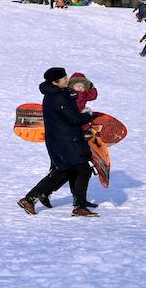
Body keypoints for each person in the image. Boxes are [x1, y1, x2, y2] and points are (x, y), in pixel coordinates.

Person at [18, 67, 98, 217]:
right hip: (63, 141)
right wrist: (88, 115)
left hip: (64, 139)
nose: (67, 80)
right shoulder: (58, 97)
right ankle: (30, 199)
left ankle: (79, 203)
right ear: (55, 82)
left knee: (75, 170)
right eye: (64, 79)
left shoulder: (58, 93)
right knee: (69, 170)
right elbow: (73, 118)